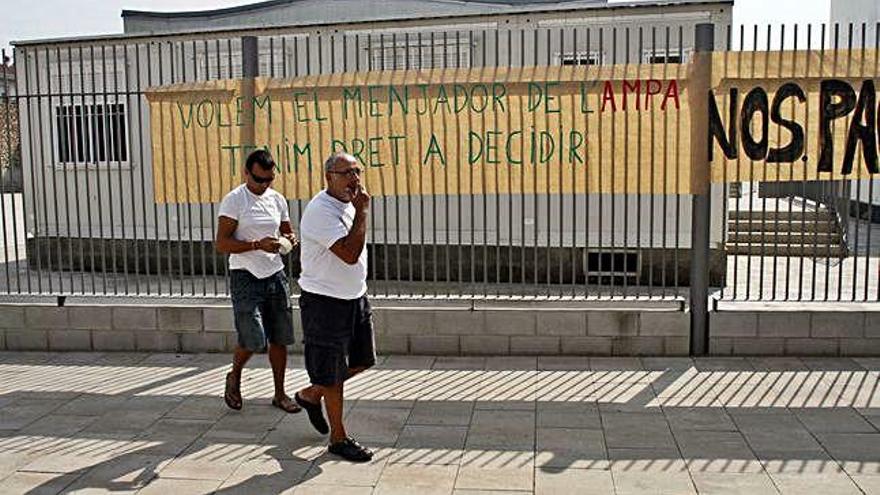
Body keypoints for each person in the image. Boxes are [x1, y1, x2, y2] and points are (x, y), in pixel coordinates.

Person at [293, 151, 376, 462]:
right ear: (328, 177)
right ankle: (338, 438)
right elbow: (349, 254)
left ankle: (311, 394)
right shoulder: (321, 211)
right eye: (346, 173)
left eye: (357, 172)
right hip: (325, 302)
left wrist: (358, 211)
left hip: (354, 296)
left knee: (362, 360)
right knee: (332, 373)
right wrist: (363, 211)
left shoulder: (349, 206)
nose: (354, 180)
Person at [215, 149, 301, 414]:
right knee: (253, 338)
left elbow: (286, 229)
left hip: (275, 274)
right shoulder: (235, 200)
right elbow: (222, 243)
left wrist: (289, 239)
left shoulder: (277, 199)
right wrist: (256, 245)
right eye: (259, 179)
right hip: (245, 275)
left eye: (269, 179)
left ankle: (279, 394)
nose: (264, 185)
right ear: (246, 173)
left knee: (280, 337)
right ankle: (235, 375)